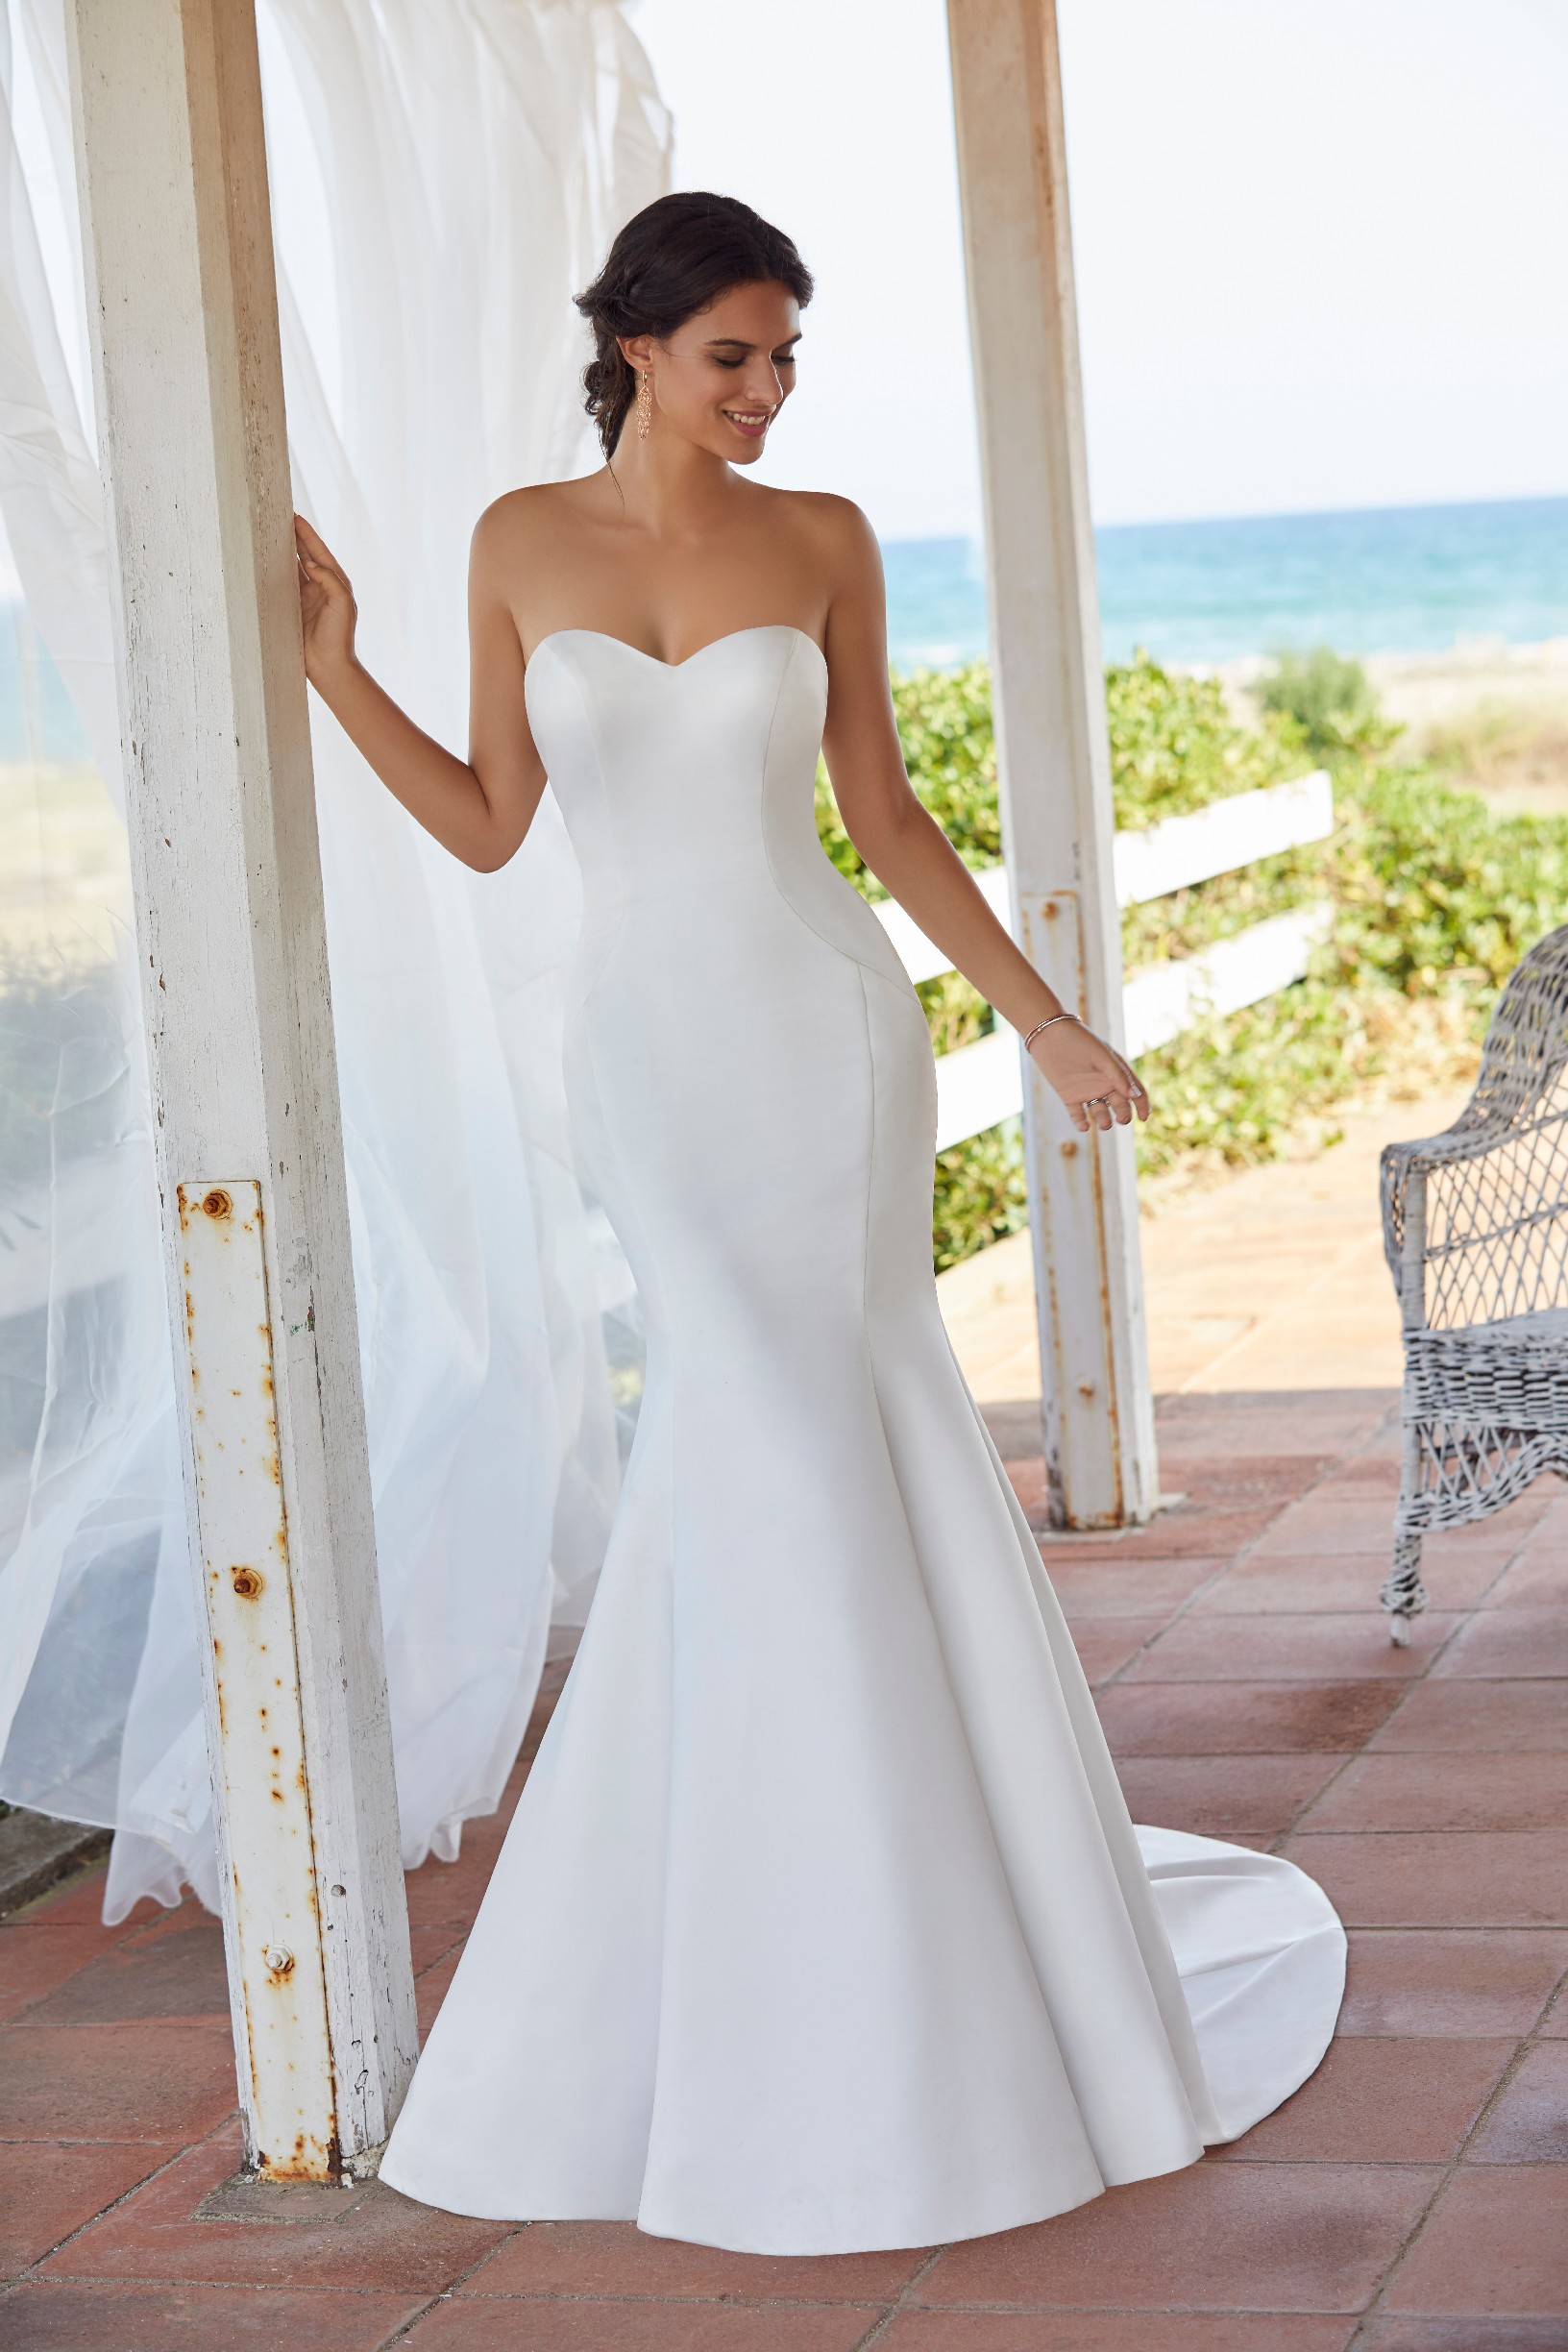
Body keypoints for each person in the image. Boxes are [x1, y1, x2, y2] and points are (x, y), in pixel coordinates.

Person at [296, 190, 1343, 2257]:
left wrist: (1039, 1017)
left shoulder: (825, 541)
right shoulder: (519, 542)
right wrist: (333, 667)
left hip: (822, 1036)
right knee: (745, 1439)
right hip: (652, 1065)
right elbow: (494, 829)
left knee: (830, 1425)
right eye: (731, 358)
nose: (766, 394)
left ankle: (890, 1967)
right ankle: (777, 1940)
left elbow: (882, 815)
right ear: (635, 344)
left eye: (784, 359)